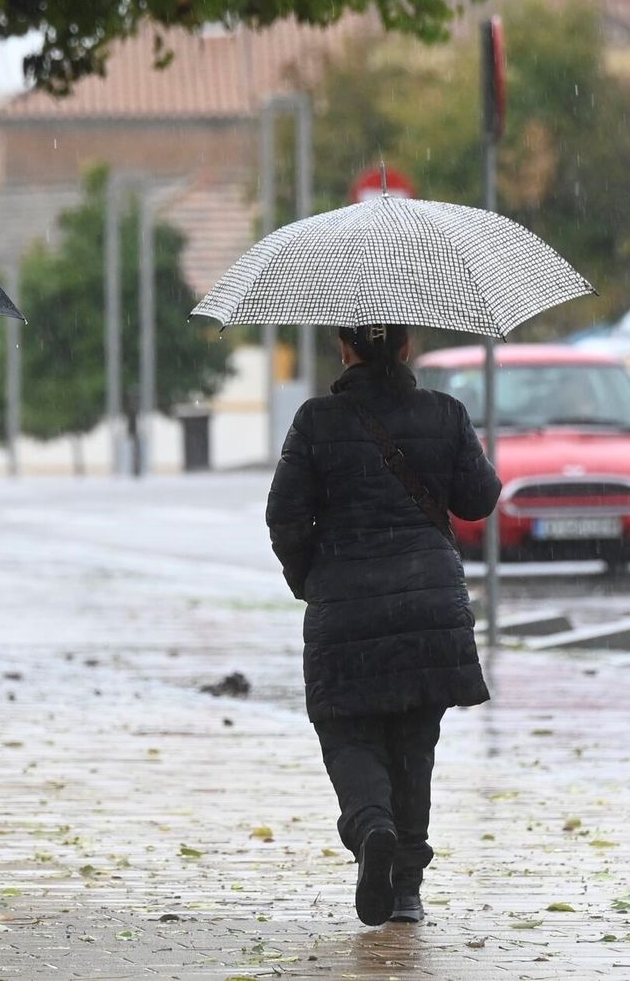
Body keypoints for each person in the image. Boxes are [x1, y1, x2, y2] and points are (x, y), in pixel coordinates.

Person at [265, 324, 500, 927]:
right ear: (408, 346)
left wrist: (311, 580)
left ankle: (372, 828)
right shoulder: (445, 413)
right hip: (429, 609)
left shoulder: (316, 421)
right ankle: (405, 889)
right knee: (414, 743)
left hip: (345, 605)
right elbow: (479, 500)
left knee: (347, 731)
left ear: (344, 349)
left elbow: (284, 516)